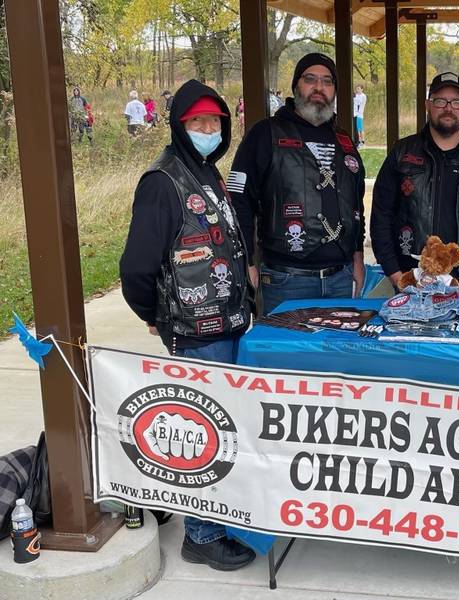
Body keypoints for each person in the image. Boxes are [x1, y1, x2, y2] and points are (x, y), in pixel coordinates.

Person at [119, 80, 255, 571]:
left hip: (230, 324)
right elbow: (136, 265)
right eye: (196, 122)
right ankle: (200, 534)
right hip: (198, 334)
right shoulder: (163, 181)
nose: (206, 129)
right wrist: (153, 314)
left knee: (229, 426)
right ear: (179, 125)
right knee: (206, 433)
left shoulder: (207, 171)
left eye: (214, 122)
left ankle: (216, 520)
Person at [227, 53, 366, 315]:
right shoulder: (265, 133)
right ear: (295, 86)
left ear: (334, 91)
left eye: (327, 81)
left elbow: (356, 202)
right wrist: (246, 261)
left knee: (336, 355)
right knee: (281, 356)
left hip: (340, 277)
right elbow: (238, 200)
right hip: (286, 279)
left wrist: (357, 254)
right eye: (310, 79)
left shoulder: (345, 141)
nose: (319, 88)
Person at [370, 72, 459, 298]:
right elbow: (381, 215)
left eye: (456, 101)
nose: (448, 107)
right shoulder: (402, 153)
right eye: (440, 100)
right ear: (428, 104)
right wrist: (395, 274)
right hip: (414, 281)